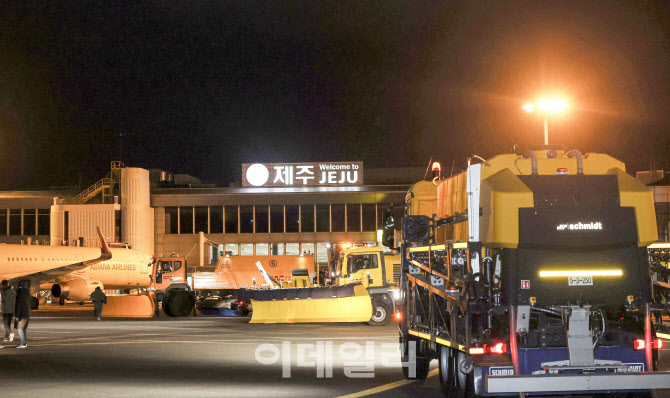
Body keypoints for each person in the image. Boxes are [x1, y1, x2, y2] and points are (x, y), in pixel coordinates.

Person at [14, 281, 31, 348]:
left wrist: (17, 315)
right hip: (27, 313)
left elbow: (18, 305)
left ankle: (23, 343)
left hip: (22, 314)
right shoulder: (27, 293)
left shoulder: (19, 293)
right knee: (23, 329)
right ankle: (24, 342)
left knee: (20, 328)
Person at [0, 280, 16, 347]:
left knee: (5, 324)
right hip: (12, 309)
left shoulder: (3, 291)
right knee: (8, 323)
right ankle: (7, 336)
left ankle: (10, 333)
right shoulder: (12, 291)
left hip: (5, 309)